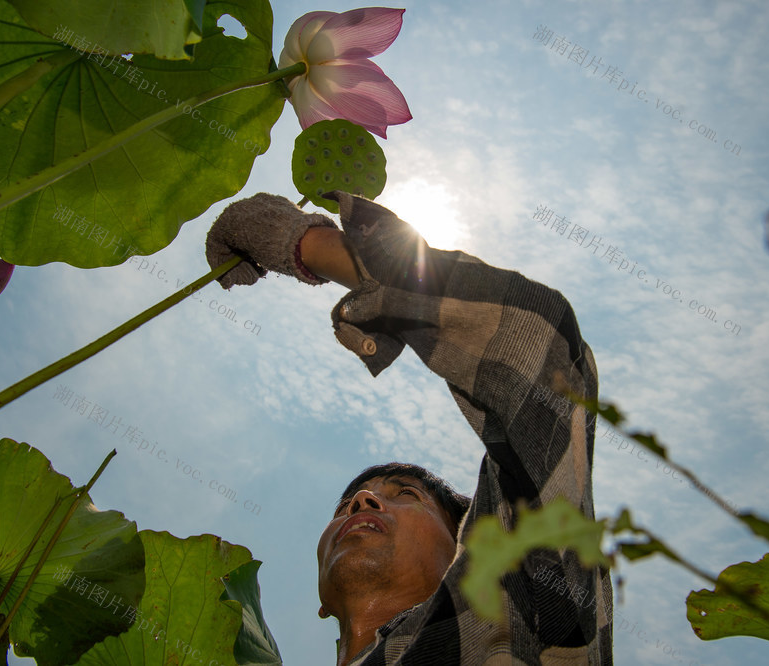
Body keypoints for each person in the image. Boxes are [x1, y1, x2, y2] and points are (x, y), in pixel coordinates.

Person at [206, 191, 613, 665]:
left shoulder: (519, 616)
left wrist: (305, 244)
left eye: (407, 495)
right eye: (345, 506)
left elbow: (543, 350)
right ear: (319, 601)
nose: (362, 501)